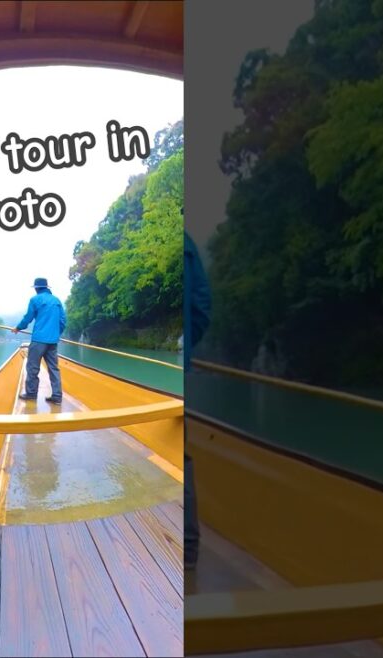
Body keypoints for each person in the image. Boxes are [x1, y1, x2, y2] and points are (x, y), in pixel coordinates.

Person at [184, 230, 211, 579]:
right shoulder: (188, 243)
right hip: (181, 366)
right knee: (181, 453)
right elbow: (202, 308)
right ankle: (188, 549)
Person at [11, 277, 67, 404]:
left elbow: (28, 318)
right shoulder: (57, 301)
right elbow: (63, 321)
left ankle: (31, 394)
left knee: (32, 367)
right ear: (47, 287)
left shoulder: (35, 299)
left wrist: (18, 328)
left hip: (39, 340)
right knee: (54, 368)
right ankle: (57, 396)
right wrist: (56, 334)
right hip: (53, 341)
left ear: (36, 288)